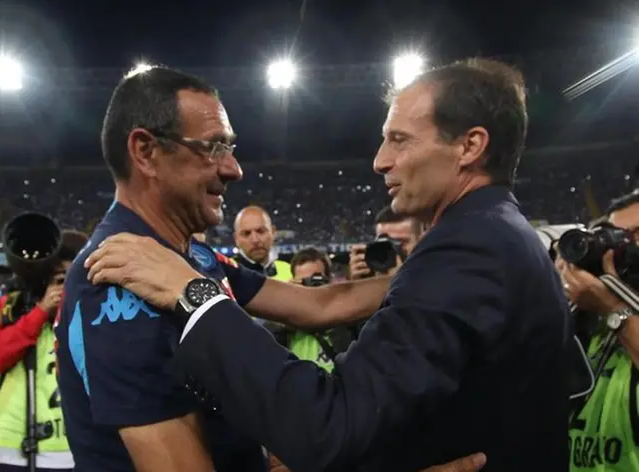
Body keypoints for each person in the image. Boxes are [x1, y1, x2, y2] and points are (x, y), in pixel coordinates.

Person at [84, 58, 571, 470]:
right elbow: (317, 311)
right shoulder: (118, 276)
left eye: (399, 139)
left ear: (470, 146)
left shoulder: (468, 250)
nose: (380, 160)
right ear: (146, 151)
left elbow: (330, 424)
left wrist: (194, 294)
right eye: (215, 147)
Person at [0, 230, 87, 472]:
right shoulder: (10, 308)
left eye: (67, 276)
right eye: (55, 277)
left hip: (78, 446)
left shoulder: (91, 309)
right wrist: (41, 310)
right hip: (11, 448)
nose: (60, 285)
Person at [561, 189, 639, 470]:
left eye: (637, 235)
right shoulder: (595, 325)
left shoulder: (615, 315)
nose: (624, 248)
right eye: (619, 237)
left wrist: (615, 309)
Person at [233, 206, 292, 281]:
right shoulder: (225, 274)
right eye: (246, 233)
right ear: (236, 239)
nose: (255, 240)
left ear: (273, 232)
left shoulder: (289, 270)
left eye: (261, 231)